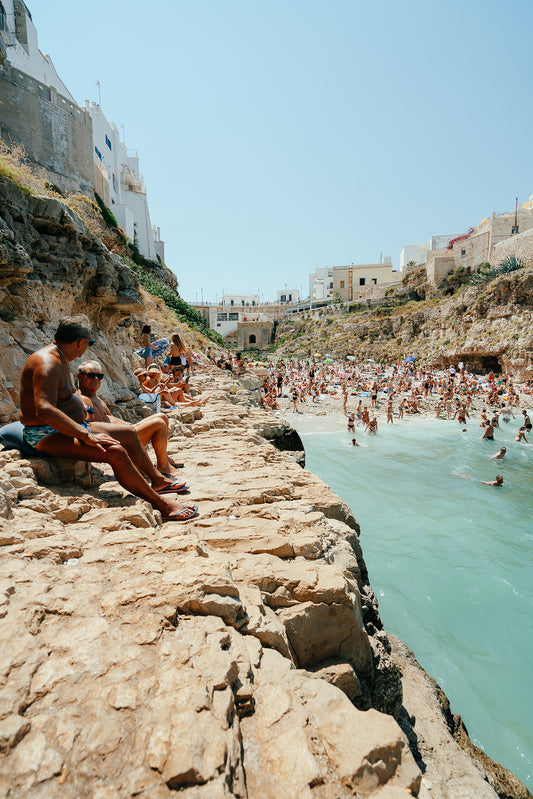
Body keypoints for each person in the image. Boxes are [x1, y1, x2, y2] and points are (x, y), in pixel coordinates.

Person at [19, 315, 198, 522]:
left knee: (129, 433)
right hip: (45, 433)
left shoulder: (59, 358)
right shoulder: (48, 363)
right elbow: (44, 410)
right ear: (80, 342)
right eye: (90, 342)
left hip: (71, 426)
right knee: (115, 451)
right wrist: (86, 435)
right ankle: (161, 504)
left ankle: (158, 480)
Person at [77, 360, 184, 478]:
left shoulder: (95, 397)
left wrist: (128, 426)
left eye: (99, 376)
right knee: (159, 422)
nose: (96, 378)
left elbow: (110, 419)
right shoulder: (82, 399)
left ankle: (164, 459)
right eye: (91, 375)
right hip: (121, 441)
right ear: (79, 377)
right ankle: (163, 466)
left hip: (127, 433)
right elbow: (87, 423)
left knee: (162, 417)